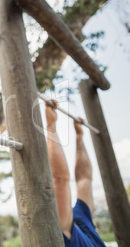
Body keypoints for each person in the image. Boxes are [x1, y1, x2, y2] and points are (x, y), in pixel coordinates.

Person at [45, 100, 106, 246]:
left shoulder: (79, 217)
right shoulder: (64, 226)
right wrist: (50, 126)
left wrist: (79, 137)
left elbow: (84, 179)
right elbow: (59, 179)